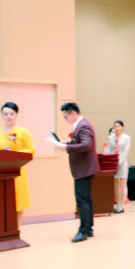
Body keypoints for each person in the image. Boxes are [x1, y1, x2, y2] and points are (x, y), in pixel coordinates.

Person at [48, 103, 100, 243]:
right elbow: (80, 143)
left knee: (82, 200)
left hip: (84, 169)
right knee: (86, 199)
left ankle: (83, 231)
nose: (65, 119)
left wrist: (66, 147)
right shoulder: (81, 125)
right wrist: (67, 143)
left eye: (65, 116)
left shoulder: (83, 126)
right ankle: (88, 229)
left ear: (72, 113)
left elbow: (86, 145)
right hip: (86, 168)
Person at [0, 102, 35, 227]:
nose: (8, 116)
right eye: (5, 114)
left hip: (17, 171)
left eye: (11, 114)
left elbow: (31, 149)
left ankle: (16, 230)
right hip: (0, 173)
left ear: (16, 114)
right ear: (2, 115)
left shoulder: (23, 132)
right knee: (1, 201)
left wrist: (14, 154)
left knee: (18, 201)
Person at [108, 120, 130, 214]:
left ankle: (122, 205)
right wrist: (112, 162)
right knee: (116, 185)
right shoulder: (110, 138)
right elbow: (109, 150)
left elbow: (125, 151)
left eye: (118, 126)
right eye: (115, 126)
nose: (116, 128)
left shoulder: (126, 137)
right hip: (113, 163)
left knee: (123, 184)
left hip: (123, 163)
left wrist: (119, 162)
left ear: (122, 127)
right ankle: (117, 205)